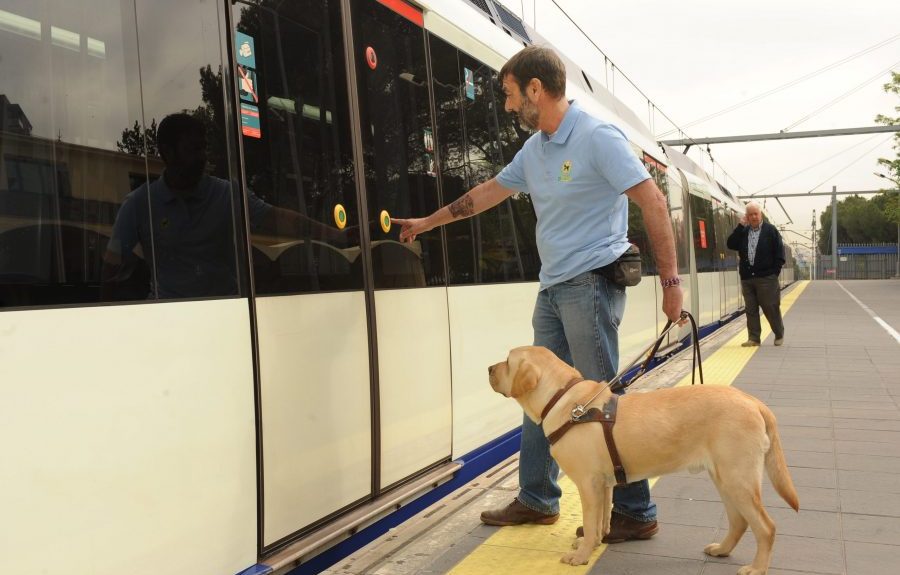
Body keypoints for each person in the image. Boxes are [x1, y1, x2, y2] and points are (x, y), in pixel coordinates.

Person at [391, 46, 683, 543]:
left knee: (598, 400)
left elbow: (652, 199)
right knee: (532, 392)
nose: (506, 107)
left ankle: (636, 509)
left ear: (534, 89)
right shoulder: (537, 149)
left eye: (508, 95)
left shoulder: (596, 138)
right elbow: (483, 194)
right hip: (553, 289)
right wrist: (427, 222)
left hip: (591, 283)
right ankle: (537, 498)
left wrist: (672, 282)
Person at [103, 113, 342, 299]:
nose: (201, 156)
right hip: (168, 317)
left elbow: (278, 219)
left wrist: (337, 236)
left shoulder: (226, 194)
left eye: (203, 147)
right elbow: (112, 265)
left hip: (227, 310)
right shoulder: (139, 204)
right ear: (167, 152)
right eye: (192, 149)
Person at [727, 202, 786, 347]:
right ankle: (754, 338)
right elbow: (731, 244)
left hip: (767, 278)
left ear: (760, 215)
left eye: (756, 214)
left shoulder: (770, 230)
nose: (753, 217)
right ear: (746, 216)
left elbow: (780, 253)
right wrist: (740, 226)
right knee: (751, 309)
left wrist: (774, 273)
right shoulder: (744, 231)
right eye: (750, 214)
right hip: (747, 278)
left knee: (770, 307)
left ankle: (779, 333)